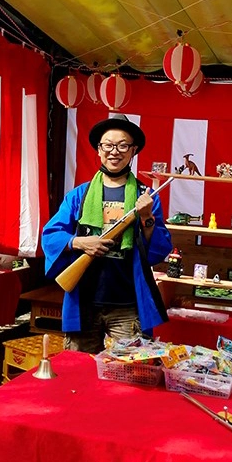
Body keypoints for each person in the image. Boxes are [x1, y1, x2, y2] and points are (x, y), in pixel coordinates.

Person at [42, 116, 171, 352]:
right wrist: (79, 242)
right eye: (108, 145)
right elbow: (50, 236)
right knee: (78, 374)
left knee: (131, 374)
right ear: (99, 150)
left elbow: (159, 250)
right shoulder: (79, 196)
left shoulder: (147, 197)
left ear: (133, 151)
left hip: (128, 304)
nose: (115, 152)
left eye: (123, 145)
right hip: (84, 301)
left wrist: (146, 218)